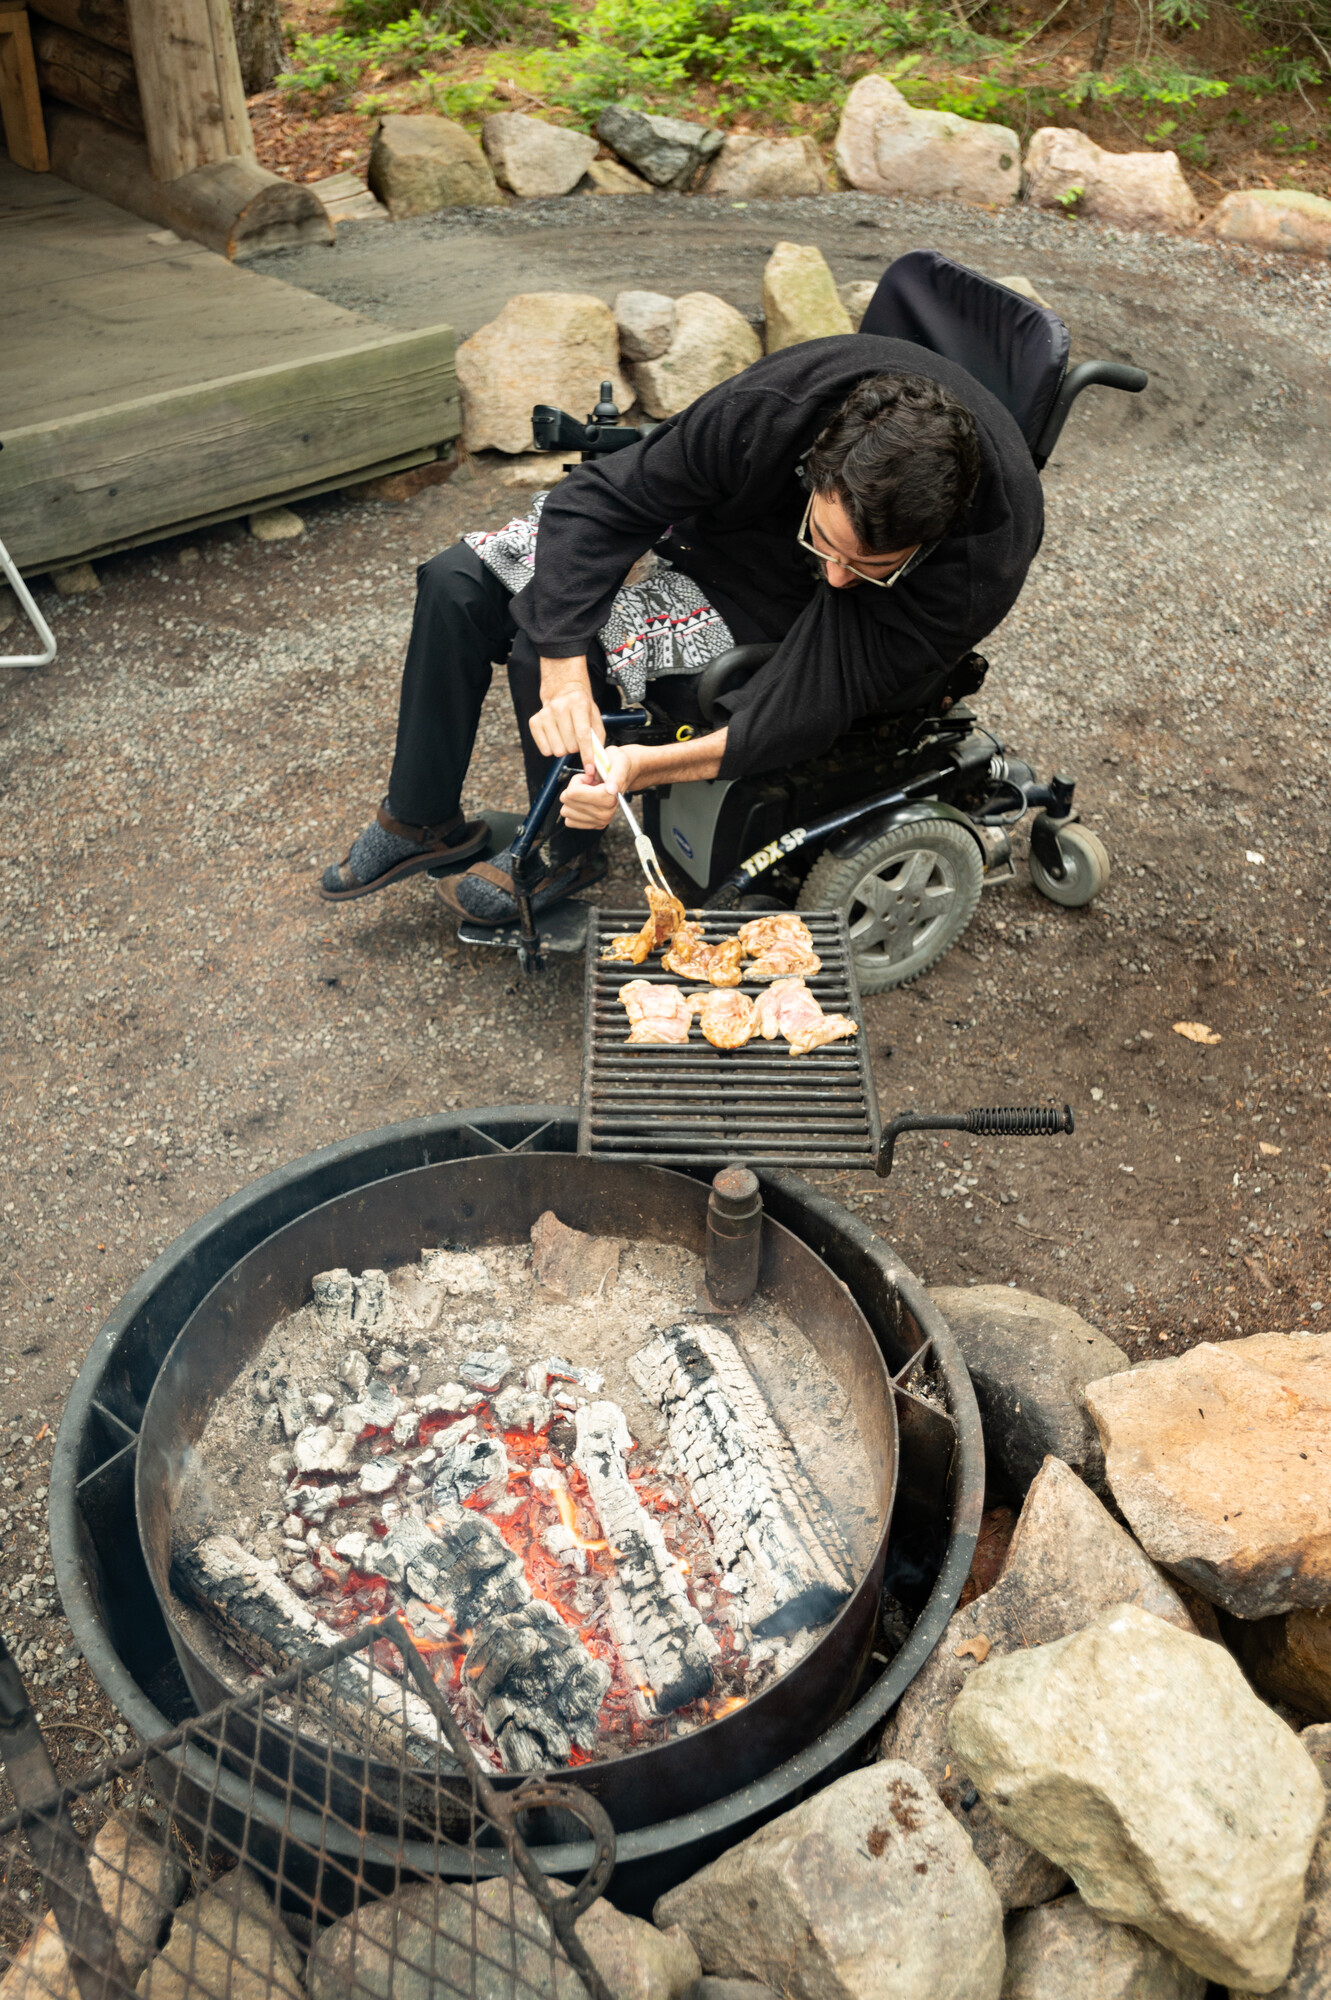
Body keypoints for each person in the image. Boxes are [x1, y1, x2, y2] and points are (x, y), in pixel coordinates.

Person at [319, 334, 1044, 924]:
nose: (836, 571)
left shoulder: (977, 568)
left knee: (555, 640)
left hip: (796, 618)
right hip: (726, 532)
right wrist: (561, 666)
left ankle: (566, 852)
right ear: (814, 466)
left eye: (870, 562)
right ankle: (420, 818)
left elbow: (809, 707)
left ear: (926, 546)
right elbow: (603, 500)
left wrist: (639, 767)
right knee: (458, 584)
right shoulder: (776, 408)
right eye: (827, 540)